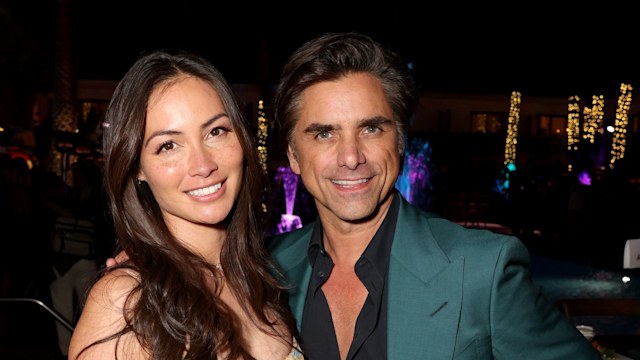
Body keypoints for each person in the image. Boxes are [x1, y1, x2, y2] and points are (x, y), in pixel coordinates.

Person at [267, 32, 601, 359]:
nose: (351, 157)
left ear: (399, 142)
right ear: (294, 155)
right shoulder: (265, 268)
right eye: (324, 133)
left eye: (371, 128)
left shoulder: (483, 271)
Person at [68, 50, 302, 359]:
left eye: (216, 131)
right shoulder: (126, 300)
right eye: (168, 146)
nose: (203, 165)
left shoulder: (261, 279)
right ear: (137, 167)